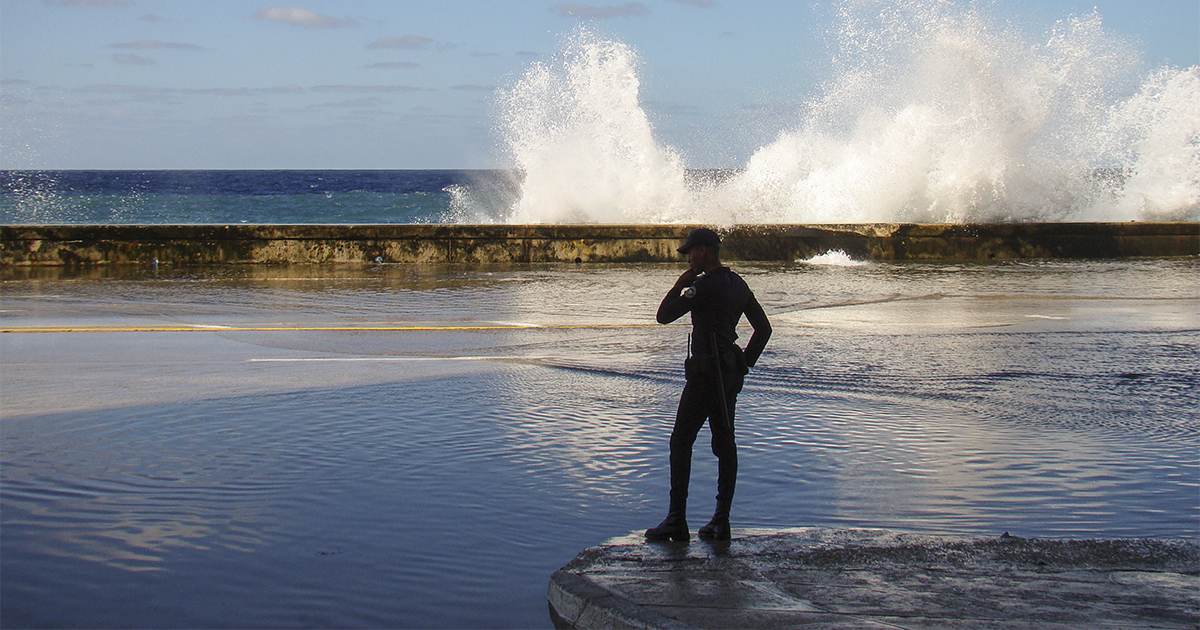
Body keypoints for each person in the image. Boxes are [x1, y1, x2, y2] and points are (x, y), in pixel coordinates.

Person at [646, 228, 771, 542]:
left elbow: (663, 316)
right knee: (725, 443)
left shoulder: (701, 286)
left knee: (681, 442)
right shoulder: (737, 284)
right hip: (729, 374)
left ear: (703, 251)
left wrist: (680, 284)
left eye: (691, 252)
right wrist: (744, 362)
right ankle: (721, 520)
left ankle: (676, 519)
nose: (688, 258)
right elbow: (763, 329)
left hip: (705, 374)